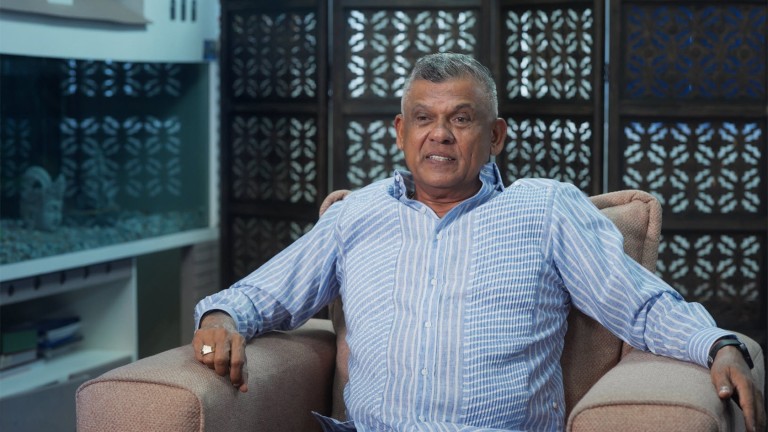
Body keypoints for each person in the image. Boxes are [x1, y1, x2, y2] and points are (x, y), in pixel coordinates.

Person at [193, 53, 765, 431]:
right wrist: (221, 314)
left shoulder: (544, 209)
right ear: (401, 132)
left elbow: (638, 304)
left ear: (494, 136)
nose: (439, 134)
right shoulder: (356, 214)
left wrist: (717, 344)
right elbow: (264, 292)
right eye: (423, 118)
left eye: (461, 120)